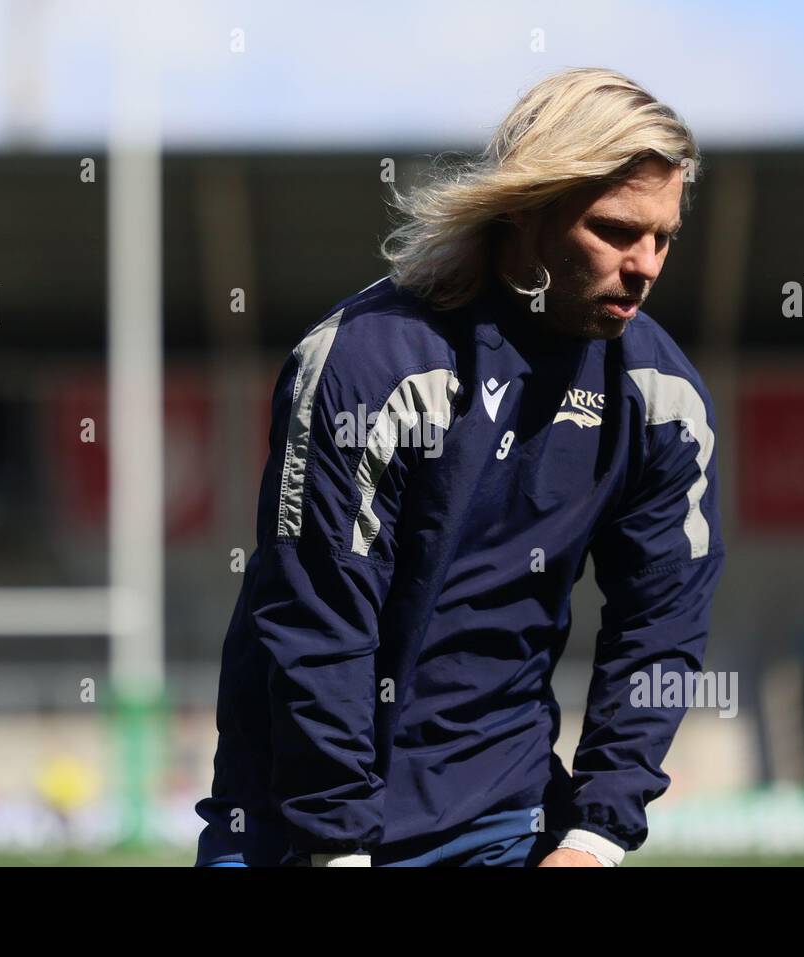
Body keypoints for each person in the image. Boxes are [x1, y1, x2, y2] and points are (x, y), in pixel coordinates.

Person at [195, 67, 725, 867]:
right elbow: (320, 618)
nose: (646, 264)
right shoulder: (371, 362)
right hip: (294, 828)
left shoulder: (661, 398)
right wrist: (336, 847)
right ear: (525, 209)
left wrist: (596, 833)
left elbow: (661, 624)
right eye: (616, 231)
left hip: (499, 822)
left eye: (664, 238)